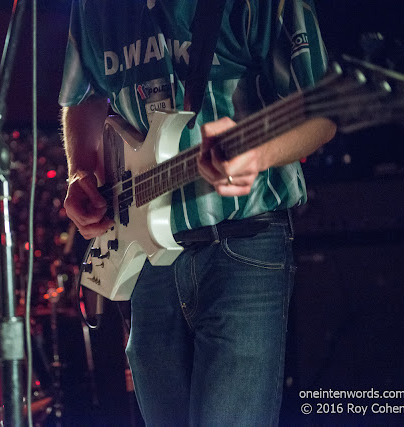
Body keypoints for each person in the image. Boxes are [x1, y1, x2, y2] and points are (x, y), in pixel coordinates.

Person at [59, 1, 336, 425]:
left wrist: (256, 155)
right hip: (147, 258)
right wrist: (79, 169)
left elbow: (321, 114)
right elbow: (86, 95)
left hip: (243, 243)